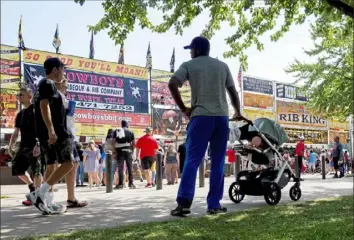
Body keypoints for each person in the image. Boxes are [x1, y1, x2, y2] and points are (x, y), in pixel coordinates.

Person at [168, 36, 246, 216]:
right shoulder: (222, 66)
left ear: (196, 50)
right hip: (221, 118)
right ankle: (214, 204)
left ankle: (184, 203)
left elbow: (173, 83)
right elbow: (233, 91)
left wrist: (183, 108)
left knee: (193, 160)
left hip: (201, 117)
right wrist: (237, 111)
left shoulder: (189, 65)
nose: (190, 52)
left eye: (191, 49)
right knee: (218, 161)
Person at [27, 58, 76, 214]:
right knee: (69, 163)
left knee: (52, 165)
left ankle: (48, 201)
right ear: (55, 69)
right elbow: (44, 105)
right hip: (57, 131)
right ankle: (39, 193)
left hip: (47, 133)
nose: (63, 71)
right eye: (62, 68)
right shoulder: (47, 84)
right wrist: (51, 130)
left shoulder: (44, 86)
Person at [55, 79, 87, 208]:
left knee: (72, 165)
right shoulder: (56, 97)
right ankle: (43, 192)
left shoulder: (62, 98)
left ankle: (71, 197)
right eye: (63, 85)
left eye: (66, 86)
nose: (65, 88)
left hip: (68, 134)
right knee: (61, 165)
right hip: (62, 134)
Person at [8, 88, 42, 206]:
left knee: (36, 171)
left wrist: (38, 144)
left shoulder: (36, 110)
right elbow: (16, 131)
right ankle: (32, 187)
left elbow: (42, 128)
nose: (18, 96)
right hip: (23, 145)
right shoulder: (20, 114)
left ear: (29, 96)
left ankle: (38, 197)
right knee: (17, 169)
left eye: (21, 94)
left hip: (36, 145)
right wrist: (10, 146)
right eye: (18, 94)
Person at [114, 120, 136, 189]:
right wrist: (131, 151)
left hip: (119, 151)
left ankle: (120, 184)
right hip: (128, 151)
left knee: (120, 168)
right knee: (130, 168)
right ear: (127, 125)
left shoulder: (116, 131)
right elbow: (134, 143)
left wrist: (115, 151)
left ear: (121, 125)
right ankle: (131, 183)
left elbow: (113, 142)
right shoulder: (131, 132)